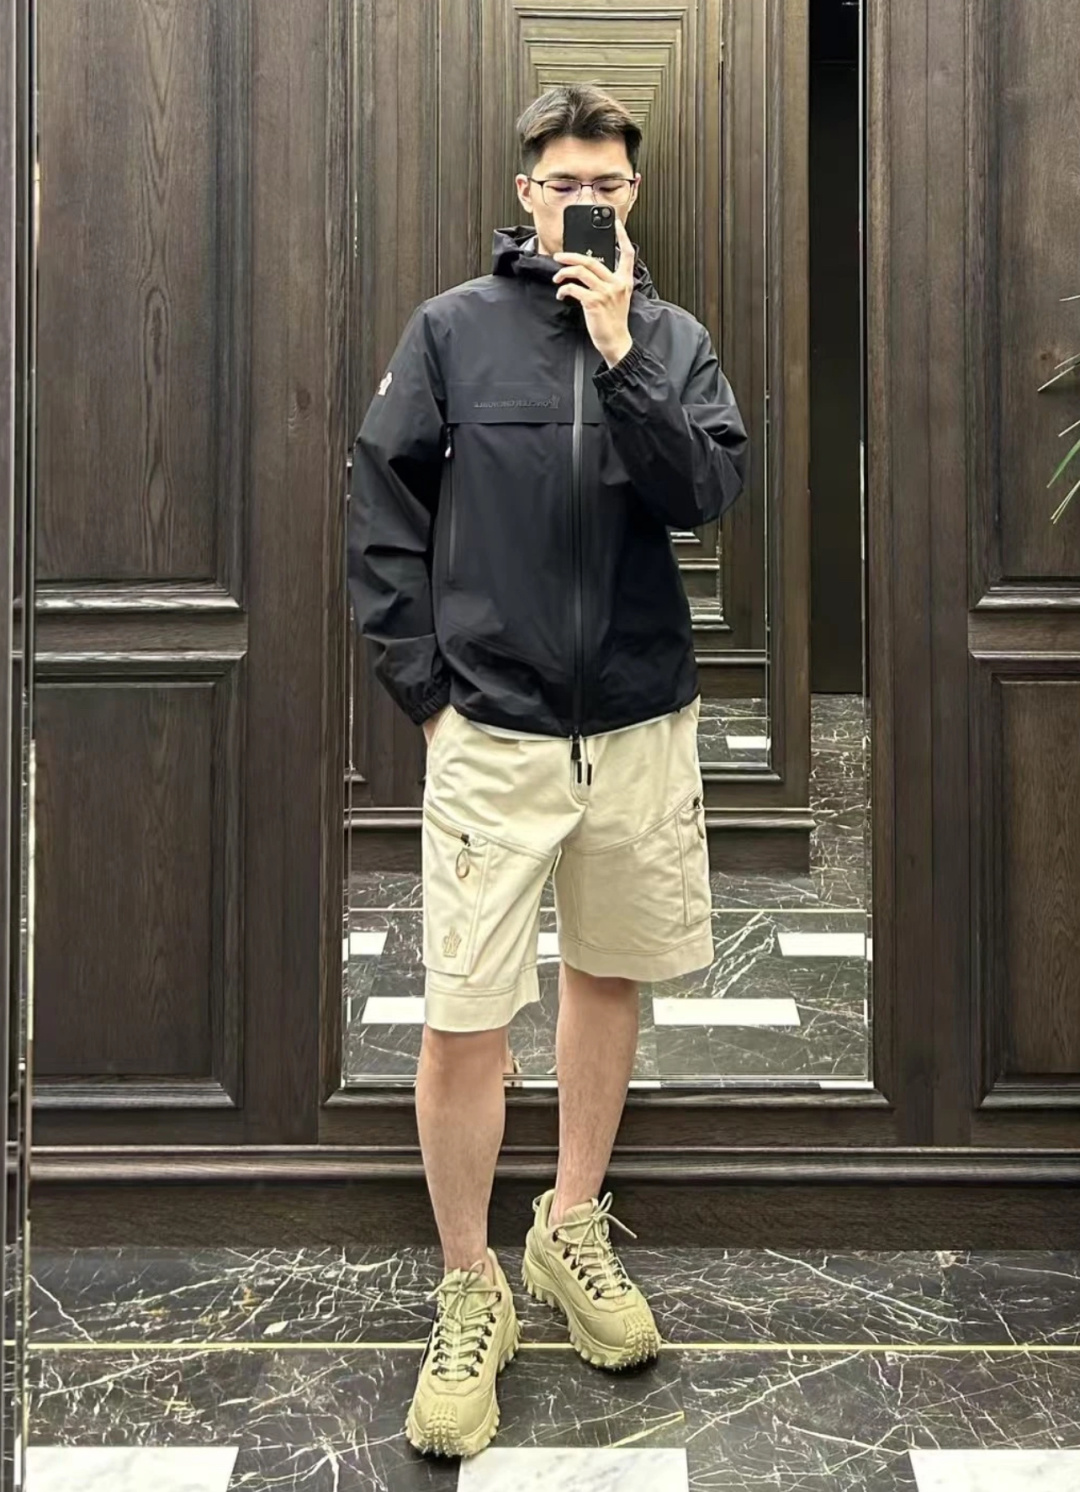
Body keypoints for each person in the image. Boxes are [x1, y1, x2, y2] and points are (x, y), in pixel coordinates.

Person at [348, 83, 748, 1459]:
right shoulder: (452, 331)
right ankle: (471, 1285)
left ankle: (570, 1226)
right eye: (564, 182)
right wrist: (428, 697)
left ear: (633, 197)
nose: (586, 201)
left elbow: (703, 497)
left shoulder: (675, 340)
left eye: (609, 186)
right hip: (495, 730)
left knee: (608, 976)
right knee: (464, 1011)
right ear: (526, 193)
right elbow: (382, 508)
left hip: (638, 723)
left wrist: (625, 348)